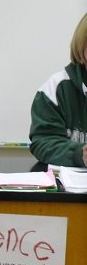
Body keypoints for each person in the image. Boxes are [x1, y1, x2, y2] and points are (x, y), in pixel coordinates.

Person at [29, 12, 87, 167]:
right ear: (81, 46)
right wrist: (80, 154)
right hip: (68, 186)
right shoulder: (54, 89)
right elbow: (43, 142)